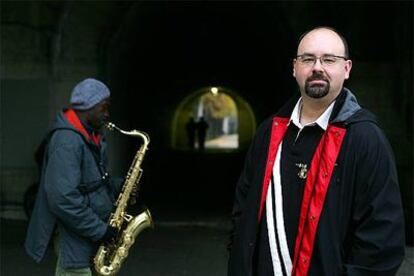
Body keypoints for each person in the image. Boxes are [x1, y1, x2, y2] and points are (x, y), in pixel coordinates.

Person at [227, 27, 405, 275]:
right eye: (308, 59)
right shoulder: (269, 131)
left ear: (347, 69)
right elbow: (242, 208)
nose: (317, 67)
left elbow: (381, 239)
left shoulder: (365, 139)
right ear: (294, 68)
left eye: (329, 59)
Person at [25, 78, 123, 275]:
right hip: (75, 244)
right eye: (104, 107)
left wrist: (119, 185)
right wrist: (100, 230)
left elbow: (92, 181)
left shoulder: (90, 133)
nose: (107, 113)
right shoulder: (67, 141)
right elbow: (62, 199)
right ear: (89, 106)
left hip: (87, 237)